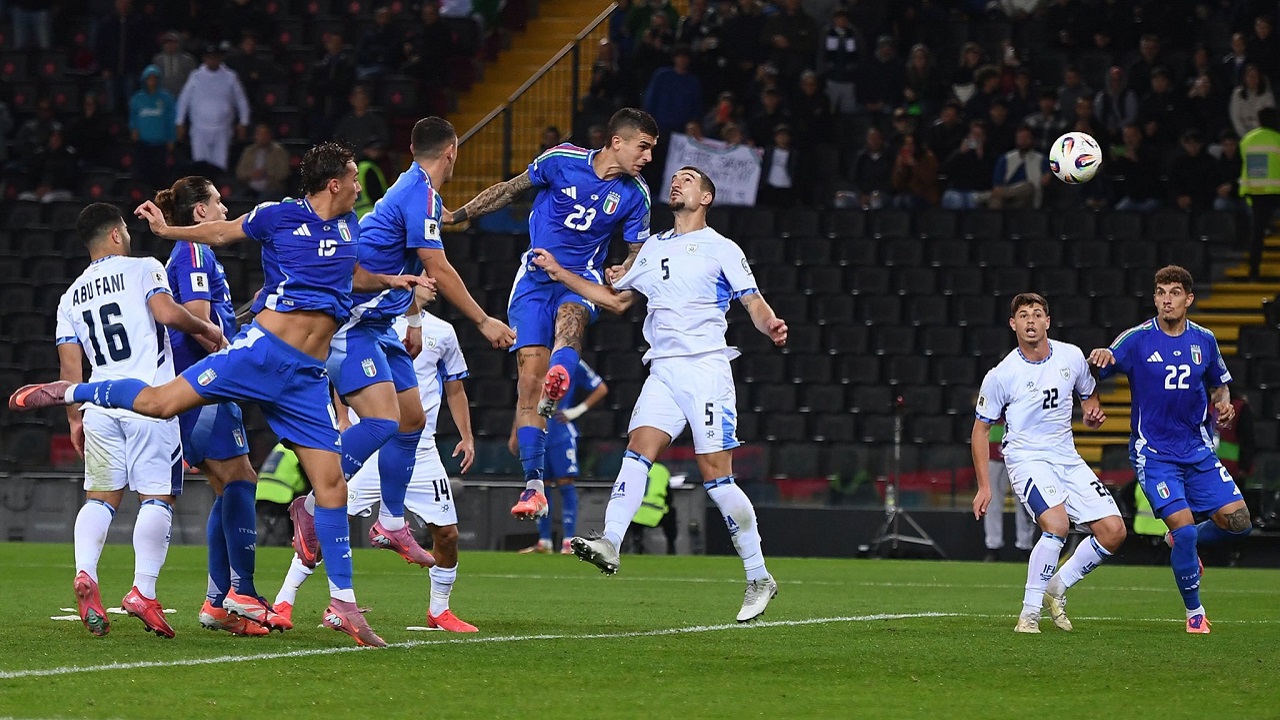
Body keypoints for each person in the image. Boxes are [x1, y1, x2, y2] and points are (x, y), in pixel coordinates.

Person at [10, 142, 426, 648]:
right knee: (161, 404)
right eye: (352, 178)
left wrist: (389, 279)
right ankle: (70, 389)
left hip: (305, 377)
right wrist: (167, 230)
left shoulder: (348, 229)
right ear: (333, 183)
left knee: (331, 487)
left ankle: (342, 604)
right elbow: (222, 231)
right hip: (258, 354)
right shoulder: (279, 216)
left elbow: (352, 273)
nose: (360, 185)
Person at [534, 165, 788, 622]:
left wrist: (769, 324)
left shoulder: (722, 248)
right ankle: (610, 541)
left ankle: (758, 575)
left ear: (706, 197)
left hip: (706, 368)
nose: (677, 182)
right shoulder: (651, 248)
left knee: (717, 479)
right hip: (664, 369)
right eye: (676, 178)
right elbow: (614, 300)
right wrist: (560, 272)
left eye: (689, 179)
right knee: (638, 450)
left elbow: (752, 300)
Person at [290, 117, 513, 576]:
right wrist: (483, 319)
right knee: (384, 420)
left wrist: (412, 318)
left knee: (412, 420)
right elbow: (438, 266)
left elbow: (412, 263)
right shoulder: (419, 194)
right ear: (452, 150)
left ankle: (390, 522)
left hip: (381, 322)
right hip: (350, 319)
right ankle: (310, 507)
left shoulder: (416, 191)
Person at [444, 108, 657, 523]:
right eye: (643, 147)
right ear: (617, 142)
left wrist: (625, 271)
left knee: (571, 323)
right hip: (533, 279)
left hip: (581, 279)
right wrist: (456, 216)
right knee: (528, 384)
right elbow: (509, 190)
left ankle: (560, 374)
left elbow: (636, 254)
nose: (648, 157)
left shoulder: (636, 195)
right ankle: (534, 489)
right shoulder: (561, 160)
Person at [52, 203, 224, 639]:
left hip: (99, 405)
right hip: (149, 399)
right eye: (125, 230)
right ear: (114, 235)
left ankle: (85, 572)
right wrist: (204, 329)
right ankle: (142, 591)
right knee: (156, 497)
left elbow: (70, 372)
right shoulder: (143, 267)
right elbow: (166, 313)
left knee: (100, 499)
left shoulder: (70, 296)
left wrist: (75, 420)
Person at [275, 295, 479, 633]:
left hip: (421, 447)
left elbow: (455, 389)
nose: (428, 284)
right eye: (420, 278)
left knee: (447, 534)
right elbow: (343, 374)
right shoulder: (372, 322)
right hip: (371, 443)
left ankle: (439, 611)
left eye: (428, 280)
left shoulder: (443, 332)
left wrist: (466, 436)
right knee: (325, 522)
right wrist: (343, 418)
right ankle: (285, 600)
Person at [1089, 266, 1251, 633]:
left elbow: (1219, 385)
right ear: (1155, 298)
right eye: (1161, 292)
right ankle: (1195, 613)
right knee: (1188, 530)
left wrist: (1222, 404)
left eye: (1174, 292)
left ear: (1188, 299)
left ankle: (1178, 541)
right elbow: (1095, 371)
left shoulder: (1205, 340)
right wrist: (1093, 392)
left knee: (1240, 524)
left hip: (1197, 450)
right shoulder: (1136, 339)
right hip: (1155, 454)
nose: (1166, 299)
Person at [156, 176, 281, 636]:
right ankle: (241, 592)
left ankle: (218, 602)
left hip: (205, 385)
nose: (225, 206)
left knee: (230, 485)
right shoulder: (193, 252)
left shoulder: (196, 254)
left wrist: (250, 315)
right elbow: (202, 324)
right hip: (206, 387)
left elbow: (215, 318)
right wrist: (238, 354)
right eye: (217, 201)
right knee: (242, 481)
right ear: (199, 214)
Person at [972, 293, 1126, 633]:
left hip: (1066, 457)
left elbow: (1088, 395)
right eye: (1023, 315)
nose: (1030, 320)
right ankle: (1029, 613)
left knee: (1114, 532)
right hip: (1026, 458)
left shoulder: (1071, 357)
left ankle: (1057, 587)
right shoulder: (1002, 375)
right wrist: (985, 486)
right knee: (1056, 524)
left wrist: (1091, 412)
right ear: (1013, 324)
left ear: (1047, 321)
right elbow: (981, 431)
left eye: (1037, 314)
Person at [518, 359, 609, 554]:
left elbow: (601, 387)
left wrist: (577, 410)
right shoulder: (535, 357)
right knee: (541, 484)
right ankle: (544, 542)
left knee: (565, 483)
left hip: (561, 432)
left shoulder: (571, 361)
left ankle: (568, 541)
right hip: (537, 428)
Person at [175, 44, 251, 171]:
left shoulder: (230, 76)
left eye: (215, 58)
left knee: (220, 166)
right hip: (200, 129)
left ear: (220, 58)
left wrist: (244, 122)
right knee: (200, 165)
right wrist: (180, 122)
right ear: (205, 59)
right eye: (209, 58)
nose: (212, 61)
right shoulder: (196, 76)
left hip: (222, 129)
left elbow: (241, 101)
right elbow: (184, 100)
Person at [981, 420, 1035, 562]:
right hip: (995, 443)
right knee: (992, 500)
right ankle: (993, 546)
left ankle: (1025, 545)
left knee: (1025, 500)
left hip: (1020, 445)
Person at [1239, 107, 1280, 279]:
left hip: (1255, 192)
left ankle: (1253, 270)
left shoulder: (1247, 140)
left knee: (1257, 233)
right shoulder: (1277, 139)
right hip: (1276, 191)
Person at [129, 65, 176, 189]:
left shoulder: (166, 98)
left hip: (160, 144)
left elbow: (170, 119)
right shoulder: (137, 98)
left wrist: (171, 138)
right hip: (143, 143)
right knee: (142, 174)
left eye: (155, 78)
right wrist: (133, 129)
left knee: (160, 176)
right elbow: (133, 117)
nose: (152, 81)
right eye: (149, 78)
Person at [256, 442, 309, 547]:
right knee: (304, 504)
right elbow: (309, 478)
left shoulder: (281, 446)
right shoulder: (301, 448)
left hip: (260, 492)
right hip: (280, 494)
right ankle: (296, 540)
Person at [629, 460, 678, 554]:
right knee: (671, 512)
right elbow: (669, 498)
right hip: (655, 512)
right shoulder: (662, 470)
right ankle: (671, 547)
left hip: (635, 514)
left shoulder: (635, 468)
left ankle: (636, 540)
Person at [235, 122, 290, 200]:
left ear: (270, 135)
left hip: (271, 188)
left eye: (264, 134)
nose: (261, 137)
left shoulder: (278, 152)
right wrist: (251, 174)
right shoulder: (249, 151)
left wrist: (266, 174)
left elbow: (284, 172)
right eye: (259, 134)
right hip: (250, 188)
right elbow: (240, 172)